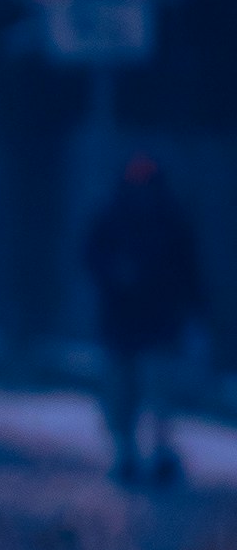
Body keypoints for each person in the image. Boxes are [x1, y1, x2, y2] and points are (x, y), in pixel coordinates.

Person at [80, 151, 206, 490]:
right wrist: (115, 275)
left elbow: (188, 270)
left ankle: (161, 452)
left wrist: (190, 309)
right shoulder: (112, 215)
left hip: (159, 324)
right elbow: (92, 258)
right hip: (123, 323)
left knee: (159, 393)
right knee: (121, 394)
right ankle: (126, 453)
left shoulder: (171, 219)